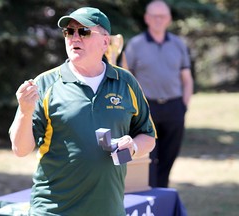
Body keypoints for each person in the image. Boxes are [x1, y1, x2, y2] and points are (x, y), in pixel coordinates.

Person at [9, 7, 156, 216]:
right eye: (69, 32)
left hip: (109, 209)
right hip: (53, 210)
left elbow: (148, 137)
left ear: (106, 42)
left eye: (83, 31)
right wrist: (25, 111)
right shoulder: (45, 83)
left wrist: (132, 146)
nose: (74, 37)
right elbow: (20, 150)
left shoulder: (126, 82)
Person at [125, 0, 193, 188]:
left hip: (174, 107)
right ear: (147, 18)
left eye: (162, 16)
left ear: (168, 19)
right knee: (148, 158)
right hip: (146, 109)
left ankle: (162, 192)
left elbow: (187, 79)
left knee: (169, 156)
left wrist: (183, 106)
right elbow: (126, 76)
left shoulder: (178, 44)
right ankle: (150, 193)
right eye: (154, 16)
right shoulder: (135, 45)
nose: (158, 20)